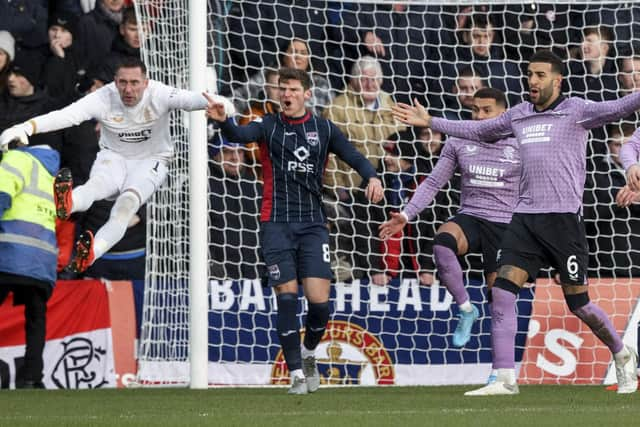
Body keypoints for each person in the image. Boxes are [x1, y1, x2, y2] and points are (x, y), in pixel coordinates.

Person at [392, 50, 640, 395]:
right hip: (524, 219)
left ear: (557, 80)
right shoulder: (519, 114)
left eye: (540, 75)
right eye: (529, 74)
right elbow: (478, 130)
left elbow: (620, 107)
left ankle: (622, 352)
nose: (532, 81)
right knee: (503, 292)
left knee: (579, 304)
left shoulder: (577, 111)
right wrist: (432, 122)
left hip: (563, 222)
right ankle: (504, 378)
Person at [205, 67, 383, 395]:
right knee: (286, 299)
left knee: (319, 304)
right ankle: (297, 374)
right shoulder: (267, 124)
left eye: (292, 89)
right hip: (275, 223)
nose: (286, 95)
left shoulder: (324, 128)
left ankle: (310, 352)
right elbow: (240, 137)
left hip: (313, 225)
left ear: (306, 94)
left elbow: (353, 155)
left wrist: (372, 176)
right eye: (282, 89)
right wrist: (224, 120)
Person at [0, 56, 229, 273]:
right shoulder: (103, 98)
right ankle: (68, 205)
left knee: (125, 207)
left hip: (151, 160)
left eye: (134, 83)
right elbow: (66, 115)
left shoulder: (160, 93)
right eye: (122, 83)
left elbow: (194, 99)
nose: (128, 90)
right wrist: (26, 127)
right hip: (114, 157)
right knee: (96, 186)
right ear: (114, 82)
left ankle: (91, 253)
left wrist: (222, 106)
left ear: (146, 83)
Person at [380, 87, 519, 349]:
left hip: (506, 224)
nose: (479, 116)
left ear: (504, 113)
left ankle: (501, 373)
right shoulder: (458, 139)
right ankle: (466, 309)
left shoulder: (519, 142)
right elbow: (433, 182)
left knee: (500, 302)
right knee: (442, 243)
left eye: (487, 110)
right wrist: (407, 214)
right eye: (475, 110)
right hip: (472, 216)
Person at [0, 142, 60, 389]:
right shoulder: (53, 174)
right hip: (42, 259)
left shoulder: (16, 159)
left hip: (9, 252)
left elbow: (2, 194)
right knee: (36, 317)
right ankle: (32, 377)